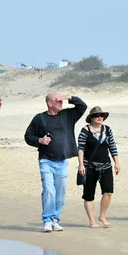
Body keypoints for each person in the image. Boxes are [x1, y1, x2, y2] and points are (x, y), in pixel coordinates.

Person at [24, 93, 87, 232]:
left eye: (60, 100)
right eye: (57, 100)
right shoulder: (40, 118)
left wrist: (69, 97)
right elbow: (28, 136)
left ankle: (55, 219)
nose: (60, 102)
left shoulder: (68, 115)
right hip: (46, 160)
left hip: (62, 161)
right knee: (49, 191)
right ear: (49, 103)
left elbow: (83, 106)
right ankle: (47, 220)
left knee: (60, 193)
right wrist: (39, 141)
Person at [77, 106, 120, 228]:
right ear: (91, 118)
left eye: (101, 115)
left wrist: (116, 162)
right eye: (96, 116)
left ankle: (102, 216)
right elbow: (80, 149)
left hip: (106, 165)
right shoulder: (85, 130)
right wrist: (81, 165)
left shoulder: (107, 129)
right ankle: (92, 221)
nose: (99, 117)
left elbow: (112, 146)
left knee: (108, 192)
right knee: (89, 194)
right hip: (89, 166)